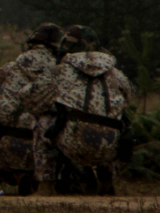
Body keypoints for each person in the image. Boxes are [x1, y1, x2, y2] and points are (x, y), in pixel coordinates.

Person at [33, 25, 135, 195]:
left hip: (74, 142)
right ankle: (107, 175)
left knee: (42, 122)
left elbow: (31, 97)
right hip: (110, 145)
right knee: (119, 122)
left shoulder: (61, 71)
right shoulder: (115, 73)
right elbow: (129, 97)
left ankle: (46, 185)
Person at [0, 23, 64, 195]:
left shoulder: (9, 68)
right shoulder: (63, 72)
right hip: (44, 148)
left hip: (8, 144)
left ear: (31, 44)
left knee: (1, 167)